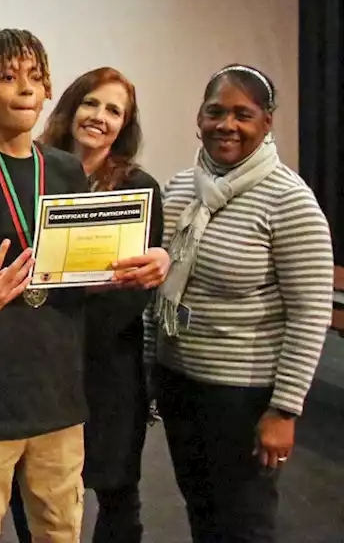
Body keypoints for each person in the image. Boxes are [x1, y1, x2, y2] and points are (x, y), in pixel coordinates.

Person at [0, 30, 168, 543]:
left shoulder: (64, 170)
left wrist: (144, 266)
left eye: (35, 77)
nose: (26, 89)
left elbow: (83, 277)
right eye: (9, 77)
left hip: (58, 394)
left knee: (61, 529)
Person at [146, 64, 333, 543]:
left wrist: (285, 411)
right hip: (180, 382)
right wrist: (151, 366)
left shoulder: (290, 202)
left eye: (243, 114)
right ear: (199, 117)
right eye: (216, 112)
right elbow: (161, 282)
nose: (227, 124)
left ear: (267, 122)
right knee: (202, 510)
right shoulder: (184, 185)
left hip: (244, 399)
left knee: (244, 523)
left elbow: (311, 314)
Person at [7, 67, 164, 542]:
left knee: (116, 492)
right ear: (72, 107)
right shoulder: (30, 173)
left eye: (114, 110)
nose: (99, 117)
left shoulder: (140, 188)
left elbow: (137, 289)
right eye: (91, 103)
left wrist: (70, 324)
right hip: (37, 367)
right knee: (31, 491)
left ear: (124, 126)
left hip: (108, 370)